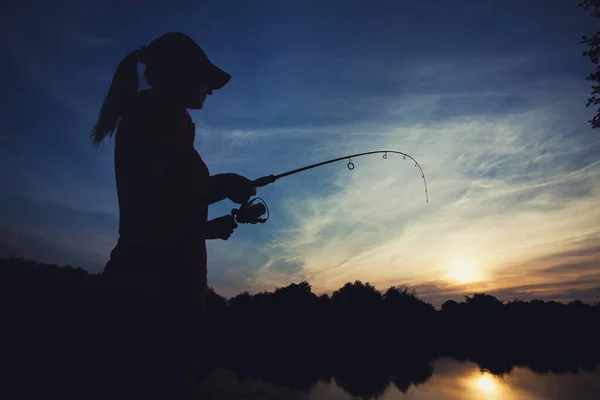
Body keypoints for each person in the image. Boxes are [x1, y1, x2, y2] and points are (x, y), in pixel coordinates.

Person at [90, 32, 255, 398]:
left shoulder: (161, 120)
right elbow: (160, 199)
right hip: (155, 299)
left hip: (156, 289)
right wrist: (223, 184)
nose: (209, 91)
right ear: (181, 75)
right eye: (205, 81)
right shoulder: (155, 118)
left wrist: (205, 228)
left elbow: (161, 212)